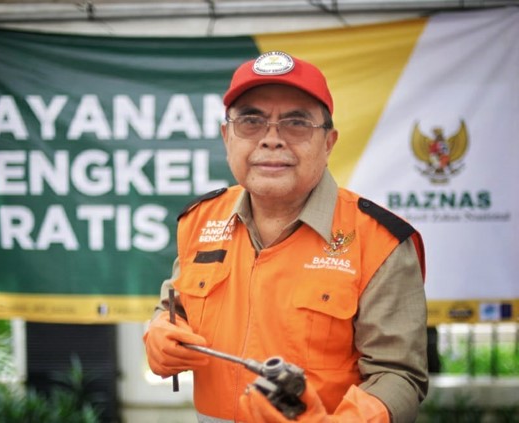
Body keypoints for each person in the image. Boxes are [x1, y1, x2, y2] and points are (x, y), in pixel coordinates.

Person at [143, 51, 428, 423]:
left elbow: (400, 375)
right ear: (226, 137)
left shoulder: (379, 241)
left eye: (296, 123)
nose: (271, 139)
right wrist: (159, 332)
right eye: (251, 121)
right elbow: (175, 307)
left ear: (328, 143)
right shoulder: (201, 220)